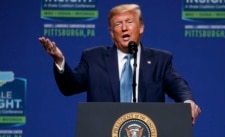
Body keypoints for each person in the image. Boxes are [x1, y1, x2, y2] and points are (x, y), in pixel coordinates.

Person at [39, 3, 201, 124]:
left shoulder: (160, 59)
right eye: (117, 24)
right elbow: (70, 87)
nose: (124, 28)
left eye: (129, 22)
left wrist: (188, 101)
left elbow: (178, 85)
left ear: (141, 27)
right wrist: (59, 60)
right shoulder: (93, 58)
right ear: (111, 32)